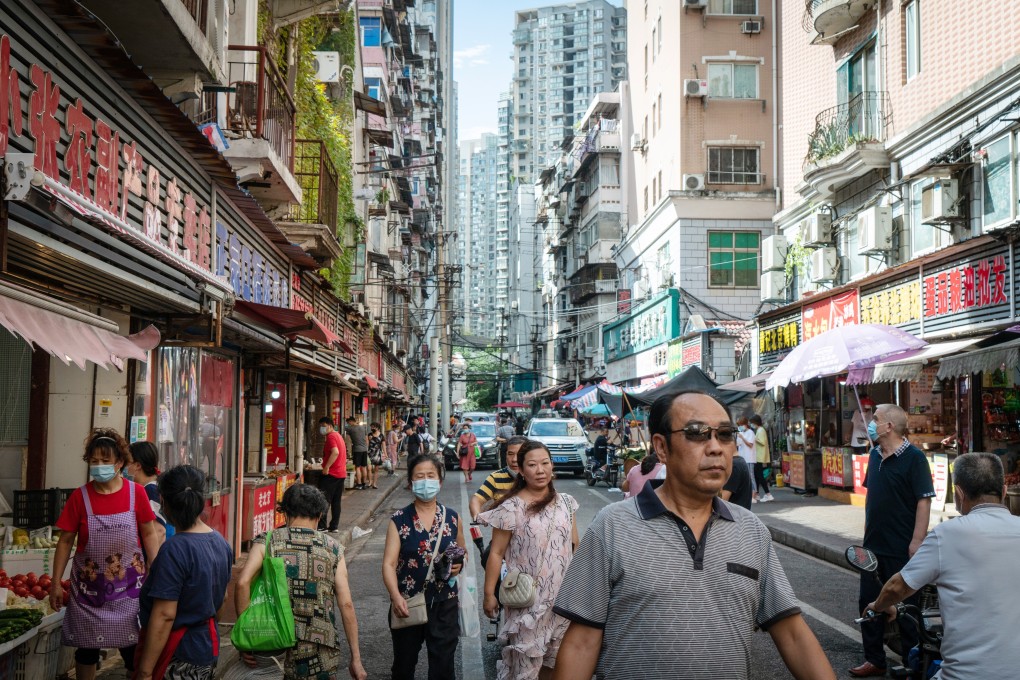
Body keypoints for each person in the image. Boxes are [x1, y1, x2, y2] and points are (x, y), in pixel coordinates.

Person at [551, 390, 836, 680]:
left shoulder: (751, 531)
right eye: (697, 433)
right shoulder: (611, 526)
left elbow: (792, 635)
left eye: (725, 434)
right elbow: (582, 643)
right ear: (662, 447)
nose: (715, 448)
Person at [864, 452, 1020, 680]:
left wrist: (878, 606)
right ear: (1004, 491)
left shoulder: (947, 534)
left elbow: (897, 587)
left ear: (958, 494)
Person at [49, 429, 163, 680]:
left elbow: (149, 534)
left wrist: (155, 569)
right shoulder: (80, 497)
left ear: (120, 463)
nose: (99, 466)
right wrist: (56, 582)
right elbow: (65, 541)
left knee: (133, 649)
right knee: (86, 651)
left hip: (129, 589)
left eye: (105, 461)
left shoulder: (137, 493)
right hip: (89, 590)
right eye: (94, 461)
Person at [235, 484, 366, 680]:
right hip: (321, 648)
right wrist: (356, 658)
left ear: (285, 511)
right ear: (320, 514)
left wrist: (246, 637)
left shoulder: (267, 541)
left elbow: (242, 583)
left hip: (272, 643)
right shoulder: (334, 549)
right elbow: (346, 604)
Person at [478, 441, 579, 680]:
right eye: (532, 465)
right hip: (528, 602)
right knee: (525, 668)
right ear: (521, 470)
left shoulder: (566, 503)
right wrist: (488, 594)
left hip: (563, 600)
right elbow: (496, 553)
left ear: (552, 466)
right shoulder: (511, 507)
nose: (540, 470)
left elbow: (575, 545)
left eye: (545, 463)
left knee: (555, 666)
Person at [850, 403, 936, 678]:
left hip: (902, 547)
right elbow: (871, 500)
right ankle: (874, 659)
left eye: (875, 419)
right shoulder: (875, 454)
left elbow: (924, 500)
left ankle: (914, 661)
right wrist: (864, 537)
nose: (870, 423)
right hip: (873, 546)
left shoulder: (915, 458)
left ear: (889, 426)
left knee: (906, 609)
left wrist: (917, 541)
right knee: (869, 603)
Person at [135, 465, 233, 680]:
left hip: (178, 652)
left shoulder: (174, 549)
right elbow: (222, 600)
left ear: (164, 502)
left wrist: (144, 672)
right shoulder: (221, 542)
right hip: (207, 646)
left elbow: (165, 615)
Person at [382, 454, 466, 680]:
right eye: (420, 476)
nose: (426, 481)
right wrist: (395, 596)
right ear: (410, 482)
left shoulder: (452, 517)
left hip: (445, 602)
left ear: (439, 481)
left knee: (443, 666)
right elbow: (389, 564)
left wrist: (459, 565)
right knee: (404, 664)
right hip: (407, 602)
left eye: (431, 476)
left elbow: (461, 552)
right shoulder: (398, 519)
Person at [127, 441, 175, 543]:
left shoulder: (150, 490)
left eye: (127, 462)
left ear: (138, 465)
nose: (125, 467)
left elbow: (159, 531)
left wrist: (153, 558)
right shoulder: (157, 486)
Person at [470, 435, 527, 520]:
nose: (515, 459)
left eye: (520, 454)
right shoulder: (495, 478)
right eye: (510, 454)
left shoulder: (537, 477)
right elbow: (476, 500)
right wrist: (477, 516)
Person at [317, 417, 347, 532]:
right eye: (320, 426)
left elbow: (335, 452)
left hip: (332, 474)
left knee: (324, 499)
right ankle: (334, 526)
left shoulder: (331, 437)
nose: (322, 428)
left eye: (323, 426)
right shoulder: (339, 436)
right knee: (336, 501)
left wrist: (327, 467)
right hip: (341, 473)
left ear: (330, 425)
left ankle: (322, 526)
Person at [750, 415, 774, 502]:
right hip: (758, 456)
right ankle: (757, 494)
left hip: (759, 456)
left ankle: (768, 494)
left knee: (759, 476)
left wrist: (754, 438)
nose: (752, 424)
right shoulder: (760, 430)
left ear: (755, 422)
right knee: (757, 476)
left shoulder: (760, 430)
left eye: (752, 423)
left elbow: (762, 442)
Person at [735, 416, 758, 502]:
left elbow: (750, 444)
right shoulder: (741, 432)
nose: (740, 427)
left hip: (749, 458)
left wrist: (742, 438)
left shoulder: (750, 432)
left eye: (741, 425)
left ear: (745, 424)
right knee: (745, 477)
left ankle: (754, 495)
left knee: (751, 476)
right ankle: (749, 495)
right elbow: (738, 445)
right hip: (742, 457)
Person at [346, 416, 369, 490]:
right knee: (364, 467)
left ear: (351, 421)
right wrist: (366, 448)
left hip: (357, 450)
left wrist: (348, 450)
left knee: (357, 467)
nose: (348, 424)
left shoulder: (350, 428)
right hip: (364, 450)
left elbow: (348, 440)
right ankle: (364, 484)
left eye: (348, 422)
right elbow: (366, 439)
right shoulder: (363, 427)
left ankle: (359, 484)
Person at [367, 422, 384, 489]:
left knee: (376, 469)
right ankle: (370, 482)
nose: (372, 428)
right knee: (369, 468)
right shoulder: (369, 434)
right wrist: (369, 439)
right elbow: (367, 444)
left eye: (373, 427)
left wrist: (385, 454)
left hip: (377, 453)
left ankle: (374, 483)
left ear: (377, 428)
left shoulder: (381, 435)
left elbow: (383, 445)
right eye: (371, 427)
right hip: (370, 452)